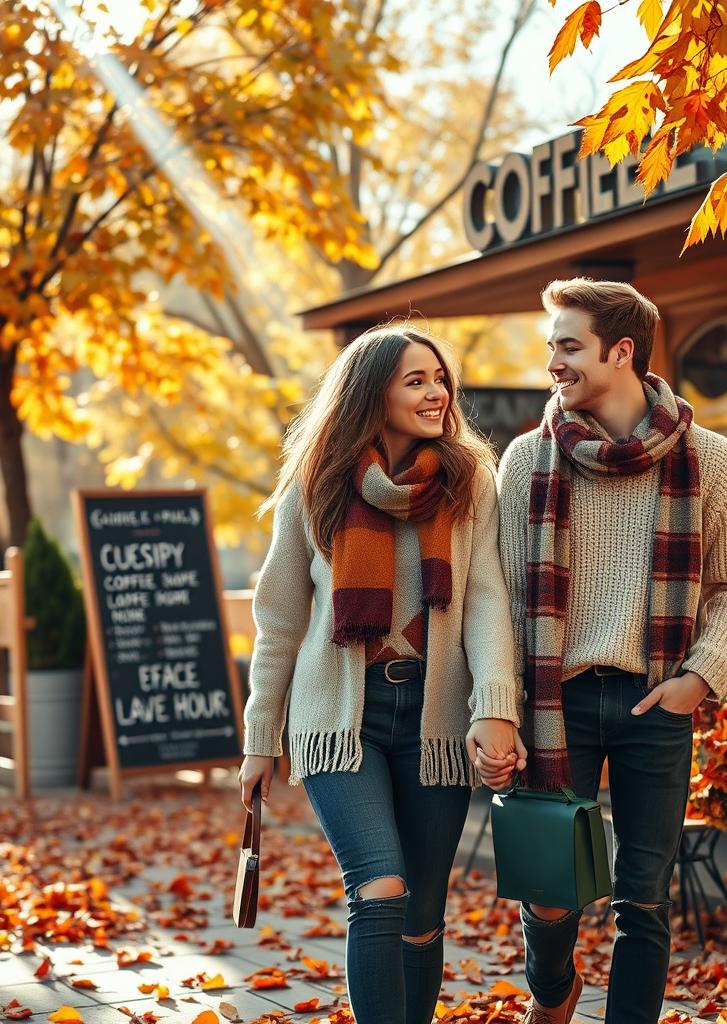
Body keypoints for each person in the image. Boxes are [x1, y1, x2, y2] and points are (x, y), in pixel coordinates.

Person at [482, 279, 727, 1024]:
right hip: (556, 703)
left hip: (654, 701)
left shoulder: (710, 457)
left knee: (643, 897)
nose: (553, 362)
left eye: (568, 346)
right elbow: (502, 604)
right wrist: (501, 709)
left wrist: (698, 679)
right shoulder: (524, 463)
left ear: (622, 351)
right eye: (551, 346)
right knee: (549, 894)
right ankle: (553, 990)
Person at [238, 325, 525, 1024]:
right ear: (374, 392)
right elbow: (279, 622)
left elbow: (486, 599)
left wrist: (495, 706)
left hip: (434, 718)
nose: (436, 393)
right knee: (380, 888)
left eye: (439, 379)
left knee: (423, 915)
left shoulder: (468, 480)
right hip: (340, 720)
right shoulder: (319, 484)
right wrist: (258, 738)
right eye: (415, 380)